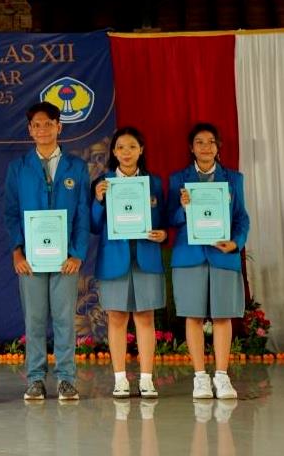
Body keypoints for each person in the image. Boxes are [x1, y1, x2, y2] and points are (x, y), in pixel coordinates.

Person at [4, 101, 89, 401]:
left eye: (48, 124)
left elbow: (83, 213)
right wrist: (17, 252)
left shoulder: (76, 167)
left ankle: (66, 378)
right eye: (37, 125)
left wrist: (77, 253)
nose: (42, 129)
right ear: (30, 130)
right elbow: (11, 213)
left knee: (65, 319)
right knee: (35, 320)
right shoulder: (18, 168)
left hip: (65, 259)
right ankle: (35, 379)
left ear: (59, 127)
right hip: (31, 259)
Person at [167, 122, 249, 399]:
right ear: (191, 148)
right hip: (189, 256)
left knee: (223, 315)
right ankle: (200, 377)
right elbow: (169, 218)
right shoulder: (178, 179)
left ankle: (222, 376)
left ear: (218, 147)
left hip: (222, 255)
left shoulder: (234, 179)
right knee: (193, 315)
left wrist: (236, 242)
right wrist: (183, 208)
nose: (205, 147)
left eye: (210, 142)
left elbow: (242, 217)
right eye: (199, 142)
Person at [91, 126, 167, 398]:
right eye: (121, 147)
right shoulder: (103, 182)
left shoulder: (153, 182)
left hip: (146, 256)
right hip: (114, 258)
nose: (126, 152)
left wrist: (163, 234)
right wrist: (98, 200)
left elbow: (163, 220)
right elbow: (94, 225)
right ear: (113, 151)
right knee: (117, 317)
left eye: (132, 147)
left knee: (145, 317)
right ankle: (120, 379)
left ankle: (146, 379)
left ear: (141, 150)